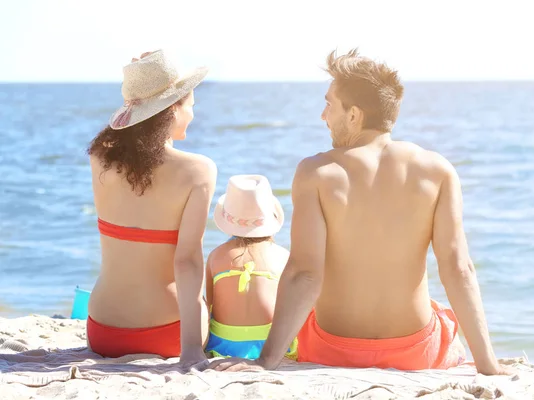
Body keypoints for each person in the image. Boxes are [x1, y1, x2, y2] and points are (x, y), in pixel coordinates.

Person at [209, 49, 508, 375]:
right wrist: (488, 365)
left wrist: (267, 361)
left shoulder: (317, 172)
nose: (323, 116)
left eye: (329, 104)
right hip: (414, 351)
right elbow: (458, 268)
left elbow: (304, 274)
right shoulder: (437, 170)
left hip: (333, 348)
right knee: (441, 316)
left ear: (353, 115)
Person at [86, 49, 216, 366]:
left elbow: (128, 140)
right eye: (191, 107)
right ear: (173, 108)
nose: (193, 116)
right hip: (166, 333)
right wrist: (191, 350)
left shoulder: (100, 155)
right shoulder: (198, 169)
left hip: (103, 332)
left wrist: (143, 80)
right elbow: (187, 262)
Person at [205, 175, 297, 359]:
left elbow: (209, 306)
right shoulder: (282, 256)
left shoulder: (216, 256)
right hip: (270, 345)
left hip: (222, 345)